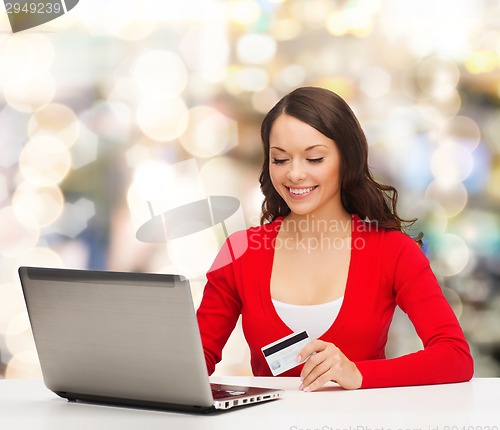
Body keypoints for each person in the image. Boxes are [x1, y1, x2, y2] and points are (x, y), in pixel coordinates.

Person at [196, 86, 474, 391]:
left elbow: (455, 356)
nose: (295, 174)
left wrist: (360, 375)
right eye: (280, 160)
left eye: (314, 158)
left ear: (347, 159)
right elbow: (194, 360)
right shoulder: (241, 250)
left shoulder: (392, 251)